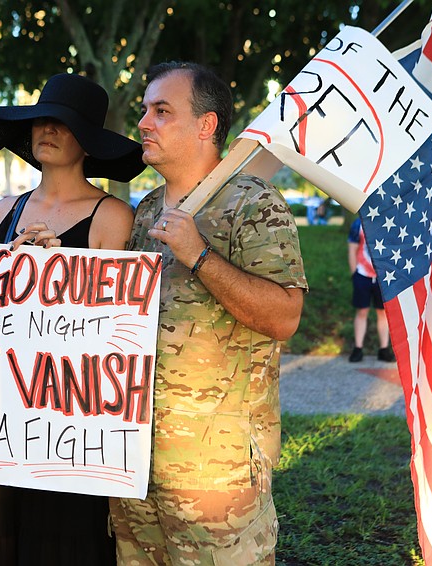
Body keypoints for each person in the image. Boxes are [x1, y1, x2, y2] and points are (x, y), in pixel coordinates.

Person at [111, 62, 308, 565]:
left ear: (206, 125)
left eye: (162, 111)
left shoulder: (253, 203)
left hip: (215, 475)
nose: (144, 123)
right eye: (145, 110)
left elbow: (285, 316)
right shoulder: (148, 209)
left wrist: (198, 254)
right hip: (134, 463)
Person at [0, 72, 145, 565]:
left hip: (71, 426)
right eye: (42, 120)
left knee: (61, 547)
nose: (48, 129)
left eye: (64, 123)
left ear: (89, 142)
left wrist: (65, 279)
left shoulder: (111, 218)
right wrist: (5, 274)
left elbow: (120, 331)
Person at [347, 217, 394, 363]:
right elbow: (352, 249)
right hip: (362, 274)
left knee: (383, 312)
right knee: (362, 311)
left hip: (383, 275)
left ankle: (383, 348)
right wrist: (354, 273)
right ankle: (358, 348)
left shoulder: (389, 220)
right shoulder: (358, 223)